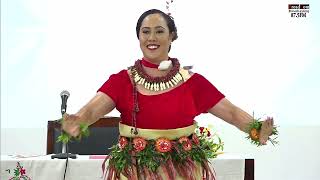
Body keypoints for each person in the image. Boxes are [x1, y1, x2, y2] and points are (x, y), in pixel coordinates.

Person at [62, 9, 275, 180]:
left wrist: (257, 130)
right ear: (138, 36)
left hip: (183, 173)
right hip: (133, 172)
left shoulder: (193, 83)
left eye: (159, 31)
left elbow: (231, 112)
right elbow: (92, 109)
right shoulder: (122, 81)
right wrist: (78, 122)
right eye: (145, 31)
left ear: (172, 36)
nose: (151, 38)